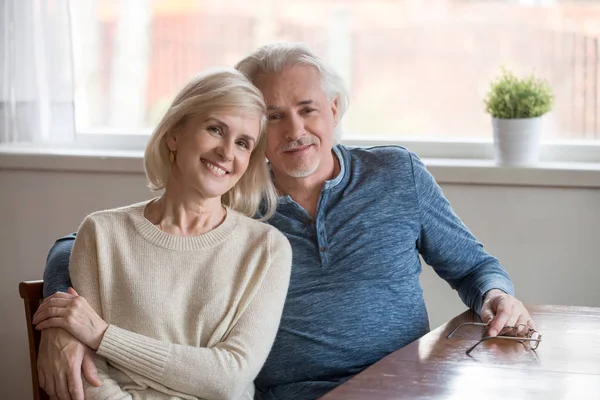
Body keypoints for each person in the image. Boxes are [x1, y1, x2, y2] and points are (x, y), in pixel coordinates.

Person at [39, 43, 534, 400]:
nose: (295, 130)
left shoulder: (396, 175)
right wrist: (62, 323)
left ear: (334, 110)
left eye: (307, 110)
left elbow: (473, 266)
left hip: (401, 387)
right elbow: (90, 242)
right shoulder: (233, 196)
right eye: (273, 116)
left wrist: (497, 295)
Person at [32, 68, 292, 399]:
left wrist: (103, 335)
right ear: (174, 134)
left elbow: (229, 378)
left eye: (243, 143)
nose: (227, 152)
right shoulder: (101, 233)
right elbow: (86, 375)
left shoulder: (267, 249)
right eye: (215, 129)